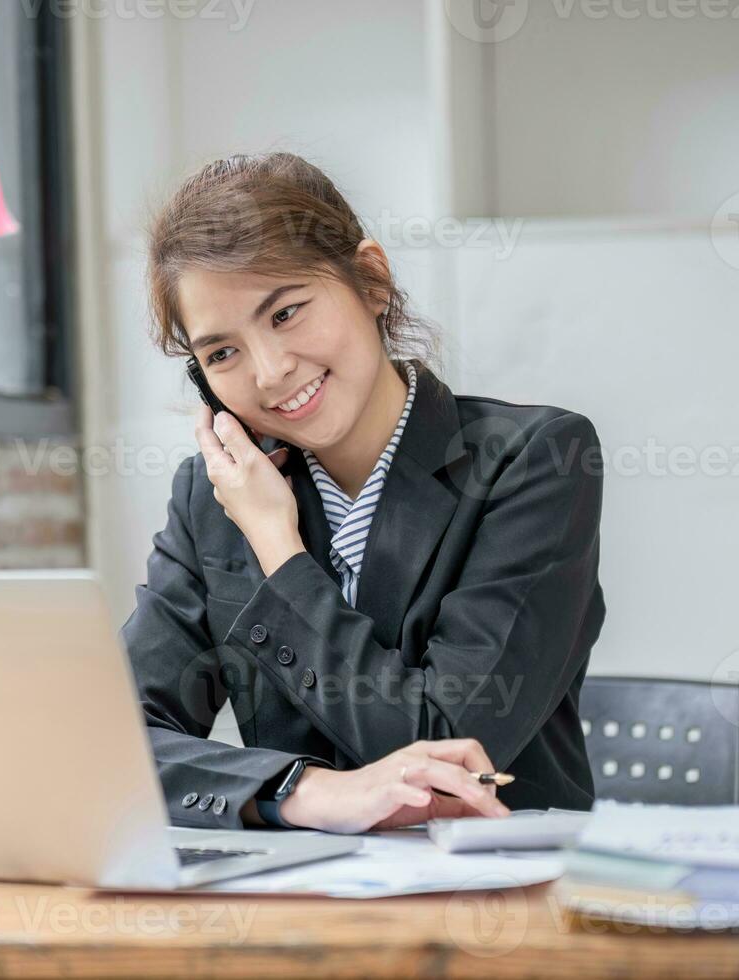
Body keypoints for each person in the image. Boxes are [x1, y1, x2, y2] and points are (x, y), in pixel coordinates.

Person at [119, 152, 605, 834]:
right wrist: (302, 792)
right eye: (221, 353)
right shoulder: (215, 497)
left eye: (286, 312)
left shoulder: (534, 462)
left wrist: (279, 550)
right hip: (300, 905)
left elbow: (441, 746)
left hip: (496, 899)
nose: (269, 371)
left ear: (371, 281)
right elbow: (115, 742)